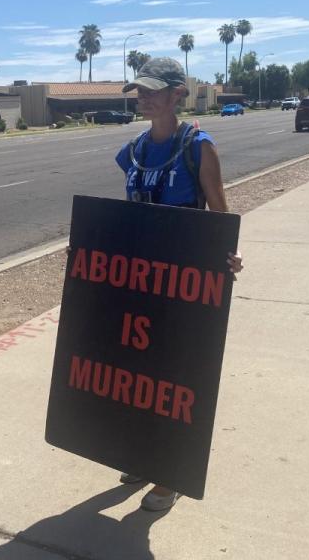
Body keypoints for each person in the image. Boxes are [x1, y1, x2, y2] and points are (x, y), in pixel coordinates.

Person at [115, 57, 243, 511]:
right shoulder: (132, 151)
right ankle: (142, 455)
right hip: (138, 282)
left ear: (177, 95)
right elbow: (126, 218)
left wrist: (228, 256)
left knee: (173, 380)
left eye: (152, 91)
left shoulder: (198, 147)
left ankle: (168, 471)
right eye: (139, 91)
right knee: (137, 376)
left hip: (183, 285)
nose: (143, 98)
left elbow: (219, 217)